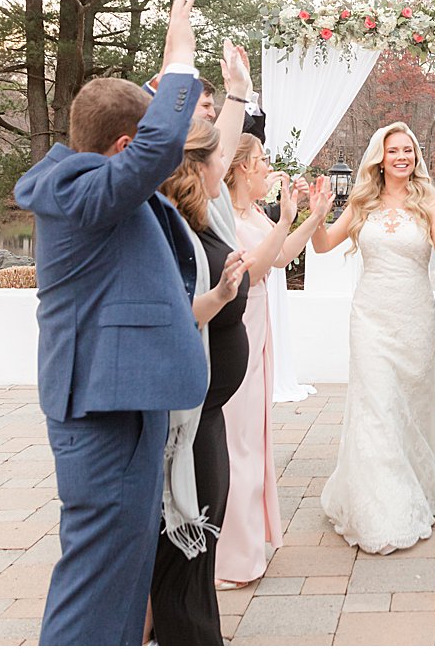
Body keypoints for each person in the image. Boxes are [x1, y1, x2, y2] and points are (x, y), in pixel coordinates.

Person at [15, 0, 211, 646]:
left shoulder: (92, 179)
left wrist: (168, 78)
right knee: (95, 582)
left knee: (125, 578)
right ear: (124, 146)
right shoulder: (74, 190)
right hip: (100, 416)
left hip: (126, 404)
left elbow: (147, 138)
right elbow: (154, 148)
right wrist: (179, 54)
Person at [308, 122, 435, 553]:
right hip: (370, 318)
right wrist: (315, 214)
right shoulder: (362, 203)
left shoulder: (429, 201)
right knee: (376, 403)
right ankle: (381, 507)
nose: (402, 156)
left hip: (414, 317)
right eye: (394, 150)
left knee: (412, 404)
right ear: (380, 157)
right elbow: (323, 245)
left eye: (408, 150)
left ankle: (419, 475)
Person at [149, 119, 252, 646]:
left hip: (207, 412)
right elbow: (167, 316)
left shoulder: (205, 217)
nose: (227, 164)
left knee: (200, 538)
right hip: (185, 417)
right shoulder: (170, 229)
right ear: (196, 168)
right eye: (219, 158)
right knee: (188, 540)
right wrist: (219, 295)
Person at [214, 137, 322, 589]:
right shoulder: (222, 218)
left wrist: (312, 216)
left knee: (253, 437)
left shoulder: (255, 214)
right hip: (235, 328)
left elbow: (280, 257)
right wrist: (285, 219)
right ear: (239, 169)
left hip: (259, 330)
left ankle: (249, 541)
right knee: (235, 438)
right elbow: (251, 272)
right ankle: (229, 559)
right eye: (260, 163)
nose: (267, 170)